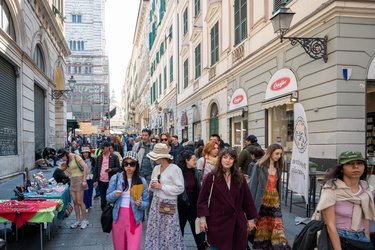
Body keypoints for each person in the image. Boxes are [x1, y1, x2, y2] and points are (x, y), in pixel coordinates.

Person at [197, 148, 257, 250]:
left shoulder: (240, 177)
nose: (227, 160)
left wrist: (251, 219)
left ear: (234, 161)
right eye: (225, 157)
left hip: (237, 223)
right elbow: (202, 200)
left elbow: (247, 200)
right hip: (217, 222)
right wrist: (202, 220)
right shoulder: (211, 177)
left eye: (231, 158)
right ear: (220, 159)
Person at [317, 151, 375, 249]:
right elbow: (330, 225)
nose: (356, 167)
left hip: (362, 238)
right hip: (341, 238)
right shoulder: (331, 189)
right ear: (341, 169)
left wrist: (367, 238)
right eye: (349, 163)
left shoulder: (367, 190)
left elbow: (366, 218)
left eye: (359, 163)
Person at [145, 143, 186, 249]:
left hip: (168, 202)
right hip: (156, 202)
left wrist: (161, 186)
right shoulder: (156, 168)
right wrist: (153, 185)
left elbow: (180, 188)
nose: (154, 159)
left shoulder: (175, 169)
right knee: (156, 229)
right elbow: (153, 187)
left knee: (169, 230)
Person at [249, 144, 290, 249]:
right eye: (277, 153)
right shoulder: (259, 166)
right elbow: (252, 187)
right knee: (263, 229)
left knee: (277, 228)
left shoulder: (279, 167)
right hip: (262, 200)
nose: (279, 156)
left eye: (281, 154)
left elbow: (278, 187)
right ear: (270, 153)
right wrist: (249, 208)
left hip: (274, 201)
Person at [106, 151, 149, 250]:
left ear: (136, 165)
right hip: (118, 216)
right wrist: (114, 195)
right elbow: (108, 198)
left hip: (135, 218)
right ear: (123, 165)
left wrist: (140, 203)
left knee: (133, 247)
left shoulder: (141, 181)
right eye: (126, 164)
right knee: (119, 247)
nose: (129, 166)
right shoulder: (115, 178)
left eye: (132, 164)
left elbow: (146, 203)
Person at [177, 151, 206, 250]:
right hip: (181, 203)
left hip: (193, 203)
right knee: (179, 229)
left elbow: (198, 188)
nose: (196, 161)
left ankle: (202, 247)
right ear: (186, 161)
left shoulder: (196, 172)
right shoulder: (179, 172)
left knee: (197, 230)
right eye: (194, 159)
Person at [57, 148, 89, 229]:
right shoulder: (67, 160)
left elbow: (85, 167)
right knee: (74, 201)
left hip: (80, 179)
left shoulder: (76, 157)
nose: (62, 159)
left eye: (62, 157)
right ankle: (78, 219)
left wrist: (84, 180)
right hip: (72, 180)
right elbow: (67, 170)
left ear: (65, 154)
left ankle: (84, 220)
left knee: (80, 201)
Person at [93, 141, 121, 210]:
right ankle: (104, 212)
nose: (102, 149)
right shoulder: (99, 157)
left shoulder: (114, 157)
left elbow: (118, 168)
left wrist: (111, 169)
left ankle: (111, 210)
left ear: (108, 148)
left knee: (111, 197)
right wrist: (94, 180)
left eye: (103, 148)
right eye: (101, 148)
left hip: (110, 181)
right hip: (101, 181)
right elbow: (96, 169)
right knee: (103, 199)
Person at [81, 147, 95, 211]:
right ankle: (86, 205)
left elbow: (94, 168)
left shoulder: (92, 160)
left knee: (90, 192)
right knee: (85, 192)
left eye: (86, 152)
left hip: (90, 177)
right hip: (83, 178)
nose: (85, 154)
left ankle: (89, 204)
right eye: (84, 153)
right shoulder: (81, 160)